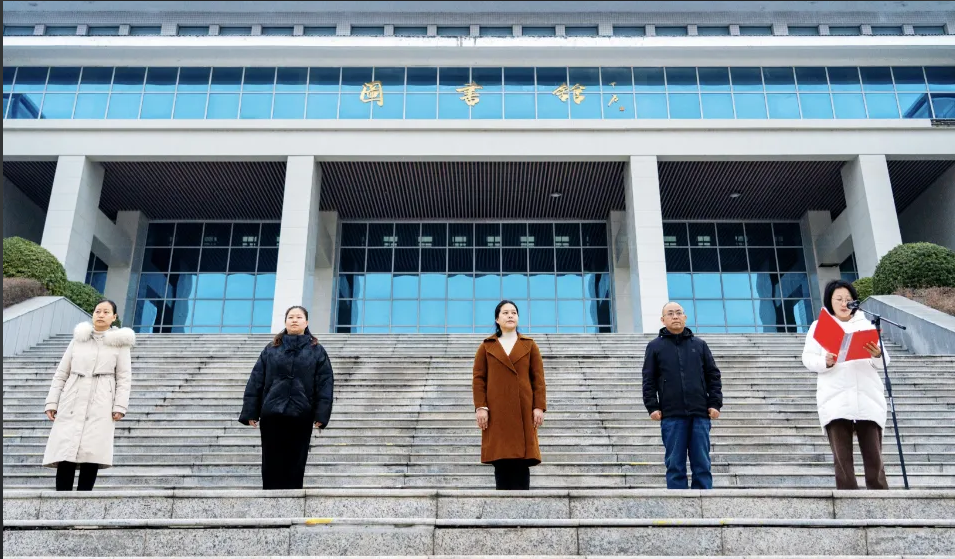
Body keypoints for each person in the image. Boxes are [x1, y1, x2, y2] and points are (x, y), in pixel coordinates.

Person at [802, 279, 889, 490]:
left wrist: (877, 354)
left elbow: (884, 361)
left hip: (867, 396)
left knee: (874, 456)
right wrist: (825, 361)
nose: (844, 304)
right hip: (835, 397)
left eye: (848, 299)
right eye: (839, 299)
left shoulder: (866, 325)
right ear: (829, 301)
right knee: (842, 458)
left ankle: (880, 495)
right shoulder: (819, 326)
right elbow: (808, 358)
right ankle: (847, 495)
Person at [43, 299, 134, 491]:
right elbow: (61, 373)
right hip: (72, 397)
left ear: (114, 317)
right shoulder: (78, 339)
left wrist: (119, 406)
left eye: (106, 312)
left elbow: (124, 377)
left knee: (92, 452)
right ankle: (61, 498)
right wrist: (52, 402)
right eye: (97, 311)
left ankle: (84, 499)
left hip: (102, 400)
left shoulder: (120, 343)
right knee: (65, 451)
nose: (101, 315)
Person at [239, 305, 334, 490]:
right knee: (271, 458)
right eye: (291, 317)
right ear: (285, 322)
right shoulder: (271, 349)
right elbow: (256, 379)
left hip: (302, 413)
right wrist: (251, 411)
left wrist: (321, 414)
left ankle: (293, 498)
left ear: (306, 322)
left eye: (299, 317)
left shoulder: (317, 350)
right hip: (272, 412)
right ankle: (270, 497)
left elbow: (325, 383)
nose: (294, 320)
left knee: (296, 459)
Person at [642, 301, 723, 490]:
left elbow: (713, 375)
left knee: (702, 463)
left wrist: (715, 403)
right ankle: (678, 505)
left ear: (685, 317)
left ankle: (704, 500)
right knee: (674, 464)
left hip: (700, 413)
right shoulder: (654, 347)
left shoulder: (700, 345)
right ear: (663, 320)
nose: (675, 316)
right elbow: (648, 379)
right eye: (670, 314)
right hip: (671, 415)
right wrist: (652, 406)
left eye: (678, 313)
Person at [472, 300, 547, 490]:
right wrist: (481, 407)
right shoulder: (486, 346)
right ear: (497, 319)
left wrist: (539, 406)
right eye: (505, 313)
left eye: (513, 312)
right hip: (496, 410)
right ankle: (503, 505)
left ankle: (523, 507)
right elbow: (479, 379)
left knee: (522, 461)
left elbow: (538, 379)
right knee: (501, 459)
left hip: (523, 409)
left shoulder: (530, 345)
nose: (510, 315)